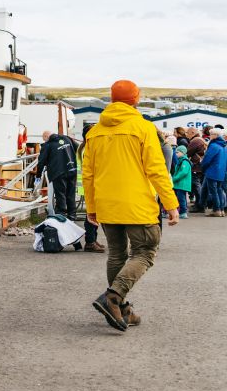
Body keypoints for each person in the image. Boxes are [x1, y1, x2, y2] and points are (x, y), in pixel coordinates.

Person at [83, 79, 179, 332]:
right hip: (137, 204)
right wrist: (171, 203)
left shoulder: (94, 132)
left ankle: (121, 309)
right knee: (146, 251)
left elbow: (88, 175)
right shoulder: (143, 128)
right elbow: (156, 169)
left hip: (107, 204)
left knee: (116, 254)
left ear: (112, 99)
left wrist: (91, 207)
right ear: (135, 100)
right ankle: (113, 297)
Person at [76, 122, 106, 252]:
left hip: (88, 185)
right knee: (91, 215)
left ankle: (93, 239)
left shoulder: (84, 147)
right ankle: (90, 241)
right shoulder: (86, 148)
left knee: (94, 214)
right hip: (89, 185)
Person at [36, 130, 78, 219]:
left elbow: (41, 162)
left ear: (47, 137)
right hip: (72, 169)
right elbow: (78, 148)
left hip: (58, 172)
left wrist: (38, 175)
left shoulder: (48, 145)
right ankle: (72, 214)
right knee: (71, 193)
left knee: (60, 193)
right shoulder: (67, 138)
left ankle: (61, 214)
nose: (44, 141)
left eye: (44, 139)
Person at [200, 128, 227, 216]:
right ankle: (221, 210)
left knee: (213, 191)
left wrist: (202, 167)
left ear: (215, 135)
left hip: (212, 171)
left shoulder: (213, 146)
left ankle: (216, 210)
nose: (210, 136)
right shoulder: (223, 146)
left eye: (211, 134)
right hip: (221, 171)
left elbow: (207, 159)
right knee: (219, 190)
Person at [186, 128, 207, 212]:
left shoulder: (195, 141)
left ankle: (200, 205)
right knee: (198, 185)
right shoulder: (200, 139)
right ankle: (200, 204)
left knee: (196, 186)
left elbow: (188, 152)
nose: (186, 134)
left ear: (193, 132)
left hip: (196, 167)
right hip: (199, 167)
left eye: (188, 133)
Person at [171, 144, 192, 219]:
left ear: (183, 153)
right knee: (181, 198)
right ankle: (182, 211)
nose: (176, 154)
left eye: (177, 152)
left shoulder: (184, 162)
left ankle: (183, 212)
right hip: (180, 184)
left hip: (182, 184)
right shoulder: (181, 161)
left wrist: (174, 178)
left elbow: (183, 172)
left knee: (181, 198)